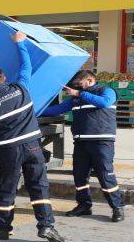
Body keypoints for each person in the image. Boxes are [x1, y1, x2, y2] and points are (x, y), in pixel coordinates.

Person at [0, 31, 65, 242]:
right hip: (33, 146)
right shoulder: (21, 88)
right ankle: (46, 227)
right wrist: (20, 43)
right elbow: (27, 67)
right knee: (39, 186)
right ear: (4, 79)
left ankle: (3, 228)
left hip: (9, 151)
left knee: (7, 188)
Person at [42, 70, 125, 222]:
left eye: (79, 84)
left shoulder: (106, 91)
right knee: (79, 175)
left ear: (89, 80)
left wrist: (79, 94)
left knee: (105, 175)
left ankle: (117, 207)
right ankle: (84, 205)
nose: (76, 88)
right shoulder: (77, 97)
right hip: (81, 142)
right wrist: (32, 110)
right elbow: (56, 109)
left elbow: (104, 102)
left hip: (101, 142)